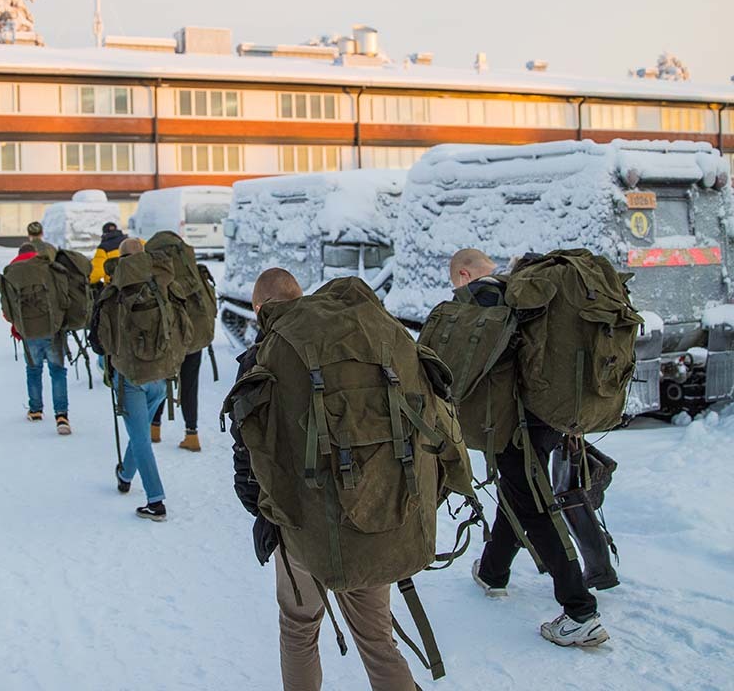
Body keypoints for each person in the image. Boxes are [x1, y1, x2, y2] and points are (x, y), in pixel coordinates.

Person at [231, 268, 418, 691]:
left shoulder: (263, 355)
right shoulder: (363, 341)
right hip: (374, 510)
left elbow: (247, 460)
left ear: (261, 310)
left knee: (299, 628)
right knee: (377, 638)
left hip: (300, 527)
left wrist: (265, 515)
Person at [450, 248, 609, 648]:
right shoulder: (527, 294)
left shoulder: (489, 298)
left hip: (516, 424)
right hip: (546, 417)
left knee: (535, 507)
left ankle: (579, 611)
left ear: (465, 274)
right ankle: (493, 571)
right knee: (519, 493)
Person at [89, 238, 168, 521]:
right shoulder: (162, 284)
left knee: (140, 437)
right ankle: (124, 475)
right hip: (161, 373)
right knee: (140, 432)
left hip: (129, 375)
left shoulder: (114, 291)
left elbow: (98, 342)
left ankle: (156, 501)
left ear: (120, 259)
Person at [4, 243, 70, 435]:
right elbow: (63, 297)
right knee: (57, 371)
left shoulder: (12, 272)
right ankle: (62, 416)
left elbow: (7, 308)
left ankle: (35, 410)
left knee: (33, 370)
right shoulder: (48, 268)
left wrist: (17, 324)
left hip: (28, 330)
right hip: (52, 328)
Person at [149, 351, 202, 451]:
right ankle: (192, 435)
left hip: (167, 340)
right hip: (194, 341)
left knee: (161, 379)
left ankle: (154, 429)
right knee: (189, 386)